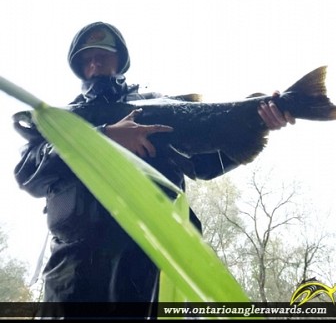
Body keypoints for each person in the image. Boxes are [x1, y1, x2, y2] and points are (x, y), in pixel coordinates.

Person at [13, 22, 294, 317]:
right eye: (86, 58)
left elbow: (205, 164)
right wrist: (104, 136)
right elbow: (27, 173)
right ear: (78, 66)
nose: (94, 63)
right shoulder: (59, 121)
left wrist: (258, 121)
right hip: (72, 273)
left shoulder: (154, 108)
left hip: (150, 264)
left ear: (120, 59)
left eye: (103, 55)